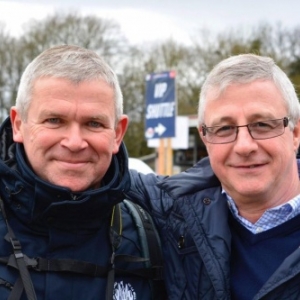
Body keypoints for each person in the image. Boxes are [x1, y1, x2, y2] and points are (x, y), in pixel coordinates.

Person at [127, 53, 300, 299]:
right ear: (205, 137)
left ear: (295, 133)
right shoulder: (173, 210)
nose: (244, 146)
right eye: (225, 128)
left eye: (262, 124)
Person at [0, 45, 165, 300]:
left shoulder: (152, 235)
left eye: (93, 123)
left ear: (117, 133)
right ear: (18, 125)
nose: (74, 142)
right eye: (54, 120)